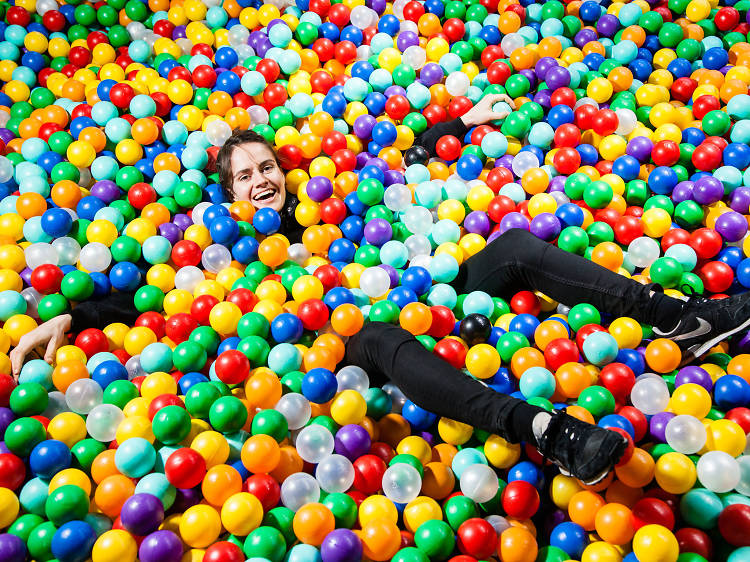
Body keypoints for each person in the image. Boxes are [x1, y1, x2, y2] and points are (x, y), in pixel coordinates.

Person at [11, 94, 750, 483]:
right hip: (323, 341)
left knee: (518, 246)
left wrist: (459, 123)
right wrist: (70, 319)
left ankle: (679, 318)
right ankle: (543, 430)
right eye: (245, 175)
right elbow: (137, 292)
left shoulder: (323, 211)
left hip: (414, 288)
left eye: (268, 167)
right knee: (378, 337)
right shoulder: (203, 245)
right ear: (226, 191)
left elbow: (393, 160)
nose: (261, 179)